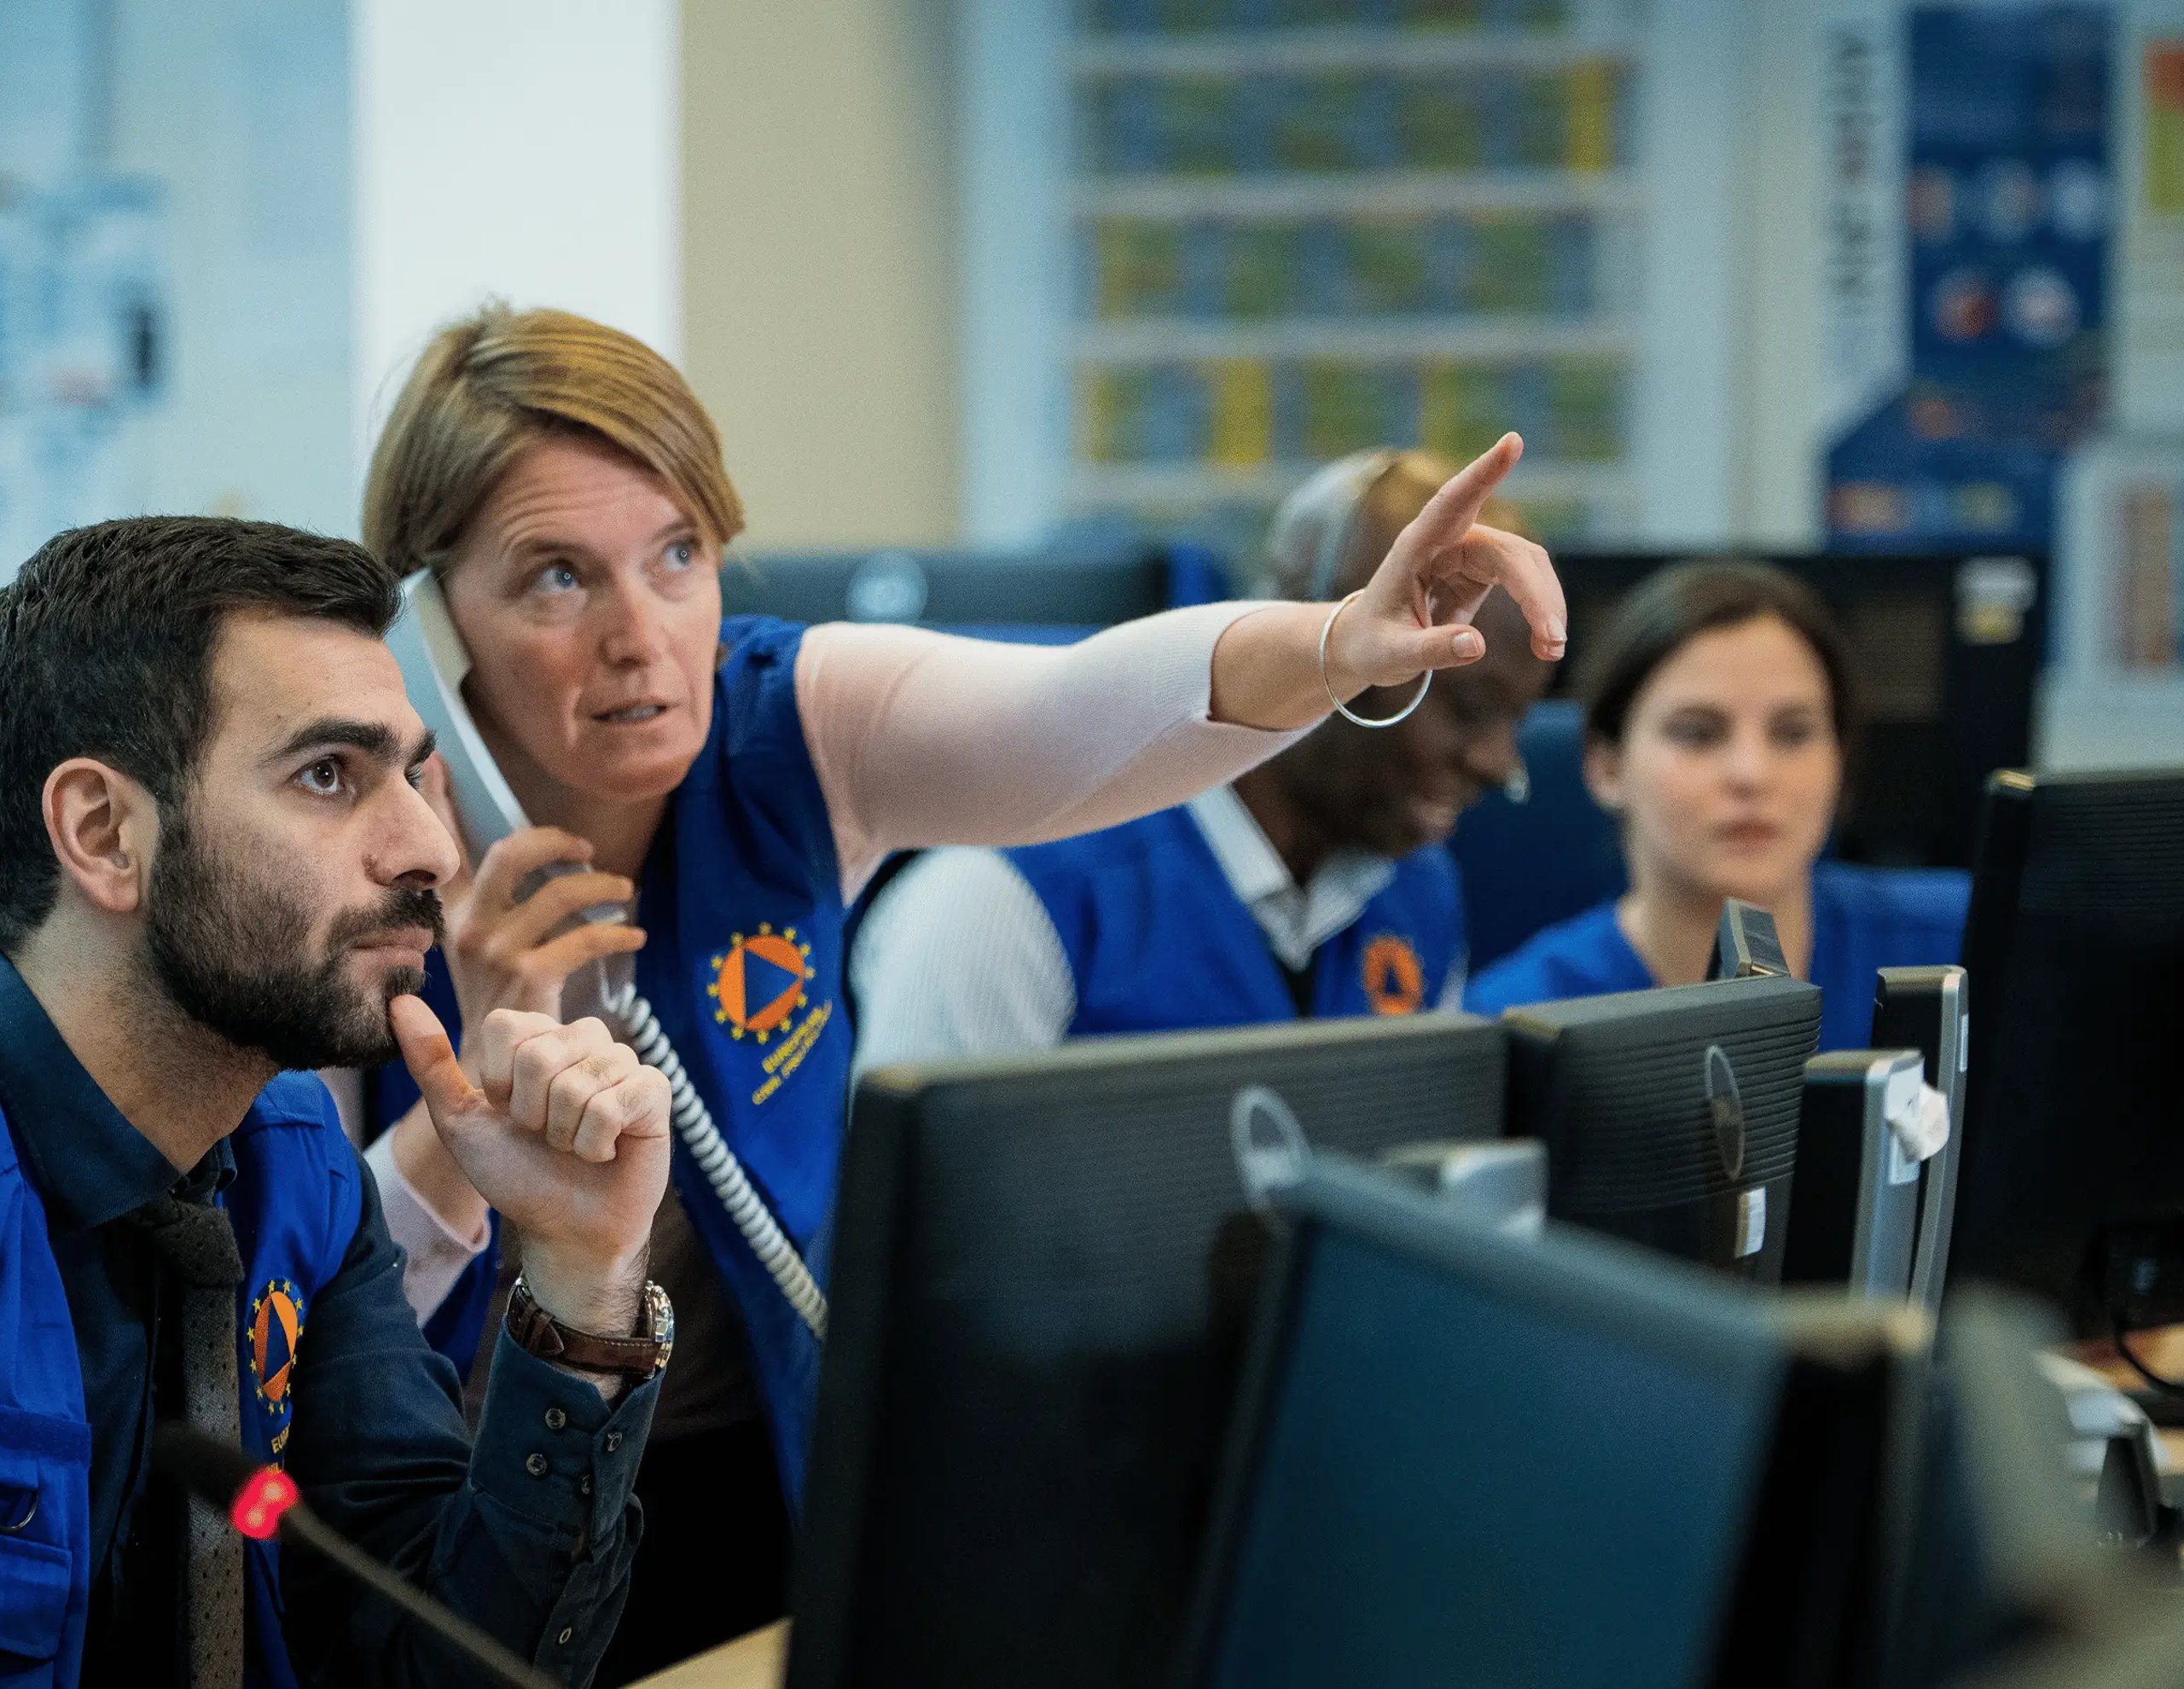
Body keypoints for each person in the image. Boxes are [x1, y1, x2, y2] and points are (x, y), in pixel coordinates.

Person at [354, 305, 1567, 1680]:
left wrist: (1336, 647)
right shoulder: (356, 855)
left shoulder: (779, 727)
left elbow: (1074, 719)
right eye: (558, 579)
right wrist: (466, 1140)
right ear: (427, 622)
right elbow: (297, 1325)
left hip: (760, 1475)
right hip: (457, 1515)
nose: (644, 636)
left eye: (679, 555)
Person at [0, 517, 678, 1687]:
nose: (429, 850)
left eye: (414, 775)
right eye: (330, 776)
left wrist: (580, 1276)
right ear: (105, 834)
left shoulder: (295, 1162)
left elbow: (436, 1655)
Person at [850, 449, 1552, 1067]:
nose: (1499, 762)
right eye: (1465, 707)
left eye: (1515, 719)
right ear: (1317, 634)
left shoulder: (1418, 895)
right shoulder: (1005, 899)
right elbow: (917, 1214)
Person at [1464, 560, 1969, 1051]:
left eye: (1794, 733)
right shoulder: (1513, 1020)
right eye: (1697, 733)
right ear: (1607, 767)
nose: (1752, 774)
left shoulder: (1969, 948)